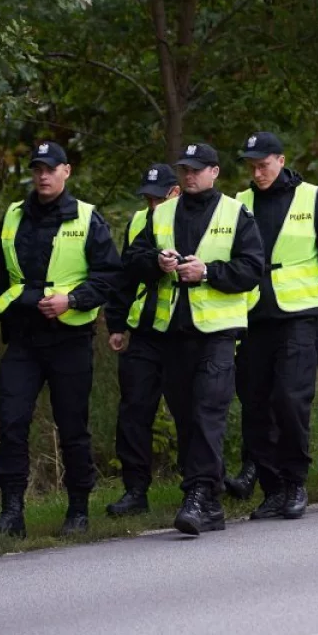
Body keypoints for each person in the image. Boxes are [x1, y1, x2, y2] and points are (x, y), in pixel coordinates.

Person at [0, 141, 121, 538]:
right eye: (37, 169)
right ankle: (11, 513)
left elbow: (110, 277)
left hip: (70, 339)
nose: (42, 175)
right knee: (12, 422)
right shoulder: (14, 216)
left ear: (65, 171)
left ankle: (77, 509)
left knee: (72, 425)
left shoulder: (87, 218)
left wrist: (71, 299)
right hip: (22, 338)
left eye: (50, 169)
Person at [123, 142, 263, 535]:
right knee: (186, 417)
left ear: (215, 172)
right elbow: (130, 262)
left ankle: (199, 496)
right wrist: (156, 262)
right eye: (184, 169)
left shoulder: (236, 213)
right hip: (172, 334)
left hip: (218, 333)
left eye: (197, 169)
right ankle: (211, 497)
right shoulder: (161, 213)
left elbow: (253, 269)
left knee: (207, 413)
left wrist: (208, 272)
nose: (189, 175)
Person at [231, 131, 318, 521]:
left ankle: (295, 482)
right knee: (255, 408)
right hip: (252, 318)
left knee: (289, 400)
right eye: (251, 166)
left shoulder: (312, 199)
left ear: (281, 161)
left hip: (299, 318)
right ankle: (271, 489)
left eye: (263, 165)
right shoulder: (239, 203)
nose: (257, 172)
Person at [103, 163, 180, 516]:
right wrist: (116, 325)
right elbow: (124, 276)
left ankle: (201, 486)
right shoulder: (138, 222)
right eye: (147, 198)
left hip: (185, 333)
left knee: (193, 413)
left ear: (175, 193)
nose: (152, 205)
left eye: (157, 198)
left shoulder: (195, 220)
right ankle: (135, 491)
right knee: (134, 413)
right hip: (145, 332)